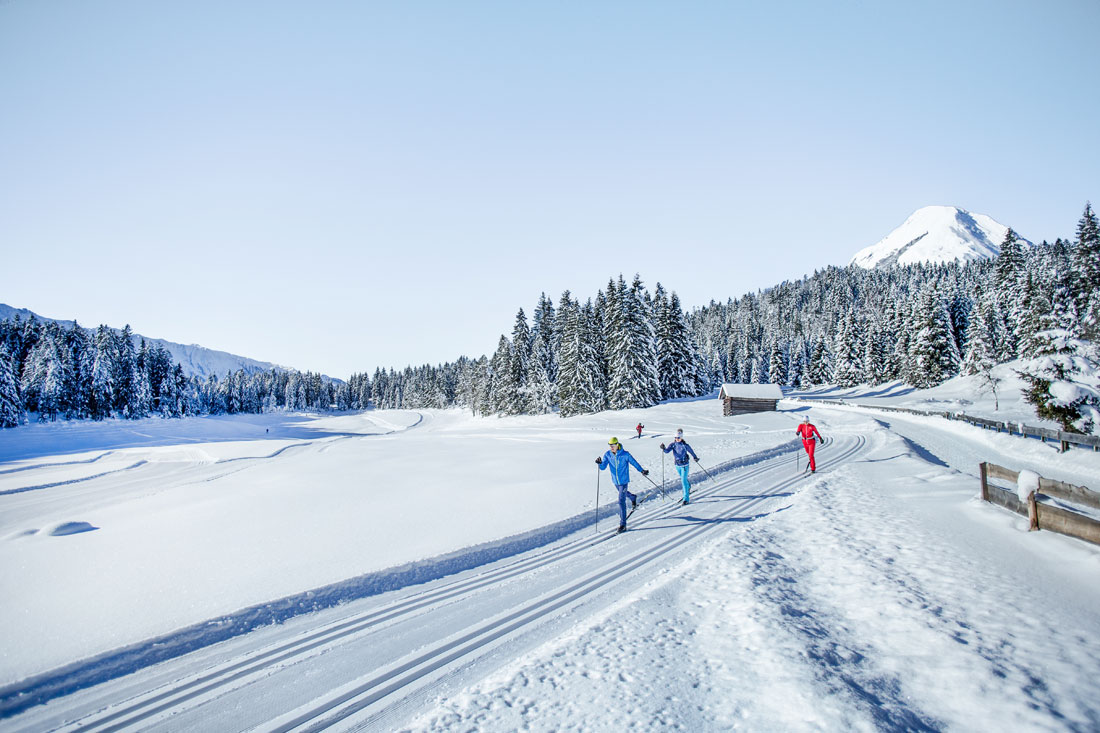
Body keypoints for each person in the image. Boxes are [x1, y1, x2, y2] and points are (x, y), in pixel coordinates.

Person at [596, 436, 649, 532]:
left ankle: (623, 524)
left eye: (613, 445)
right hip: (615, 481)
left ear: (617, 445)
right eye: (610, 445)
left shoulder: (625, 454)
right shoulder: (608, 455)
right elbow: (603, 467)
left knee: (621, 501)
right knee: (624, 494)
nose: (611, 447)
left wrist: (642, 470)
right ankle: (633, 497)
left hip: (624, 481)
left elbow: (634, 463)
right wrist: (599, 463)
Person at [660, 429, 699, 504]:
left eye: (679, 438)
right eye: (676, 438)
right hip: (677, 465)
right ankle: (688, 486)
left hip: (685, 465)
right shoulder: (673, 445)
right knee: (683, 479)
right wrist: (663, 448)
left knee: (683, 481)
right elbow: (667, 451)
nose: (677, 439)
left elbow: (691, 451)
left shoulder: (685, 445)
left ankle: (686, 499)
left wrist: (695, 457)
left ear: (682, 438)